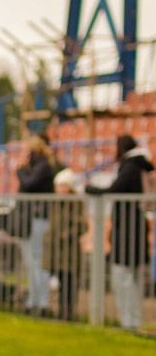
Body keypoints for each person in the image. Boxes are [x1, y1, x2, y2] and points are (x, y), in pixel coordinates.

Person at [84, 135, 154, 329]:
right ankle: (133, 320)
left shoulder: (130, 166)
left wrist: (90, 188)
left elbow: (115, 189)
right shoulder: (139, 165)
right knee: (133, 275)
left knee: (123, 275)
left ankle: (129, 321)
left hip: (127, 228)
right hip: (135, 225)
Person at [15, 133, 59, 316]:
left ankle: (42, 302)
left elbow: (29, 184)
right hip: (30, 219)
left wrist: (20, 170)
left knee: (38, 262)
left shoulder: (43, 166)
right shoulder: (37, 166)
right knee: (31, 262)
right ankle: (33, 300)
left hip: (39, 219)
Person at [45, 169, 88, 321]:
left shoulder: (75, 203)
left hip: (70, 250)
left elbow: (83, 225)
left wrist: (67, 233)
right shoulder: (56, 203)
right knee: (62, 283)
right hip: (57, 250)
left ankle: (69, 312)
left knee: (70, 283)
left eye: (64, 187)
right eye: (59, 187)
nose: (61, 190)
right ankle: (61, 312)